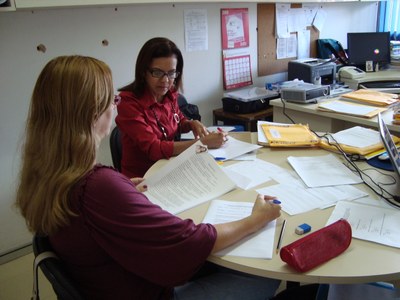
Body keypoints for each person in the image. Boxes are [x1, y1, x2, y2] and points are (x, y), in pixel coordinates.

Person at [15, 55, 282, 300]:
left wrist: (119, 193)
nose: (115, 107)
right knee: (265, 275)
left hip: (109, 280)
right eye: (112, 100)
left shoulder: (47, 173)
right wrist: (255, 219)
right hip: (151, 291)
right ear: (92, 113)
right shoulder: (96, 188)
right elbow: (188, 244)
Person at [116, 37, 228, 178]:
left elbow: (177, 121)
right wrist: (202, 143)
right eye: (157, 72)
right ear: (143, 71)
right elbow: (154, 148)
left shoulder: (170, 94)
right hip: (143, 179)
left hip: (172, 168)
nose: (165, 80)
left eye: (171, 73)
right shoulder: (128, 102)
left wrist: (191, 124)